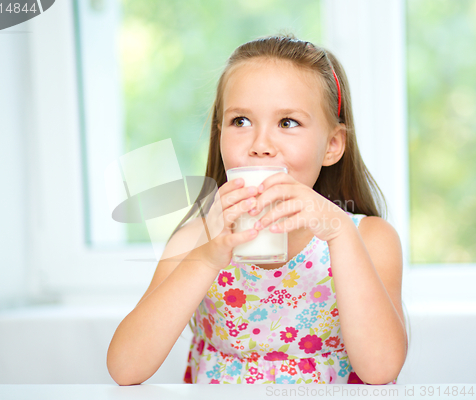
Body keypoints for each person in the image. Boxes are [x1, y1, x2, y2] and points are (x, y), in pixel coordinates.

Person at [107, 33, 408, 385]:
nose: (260, 145)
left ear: (332, 145)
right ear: (219, 136)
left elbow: (382, 369)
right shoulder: (194, 241)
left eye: (288, 123)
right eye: (241, 122)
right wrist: (206, 257)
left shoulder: (369, 239)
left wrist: (338, 232)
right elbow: (125, 369)